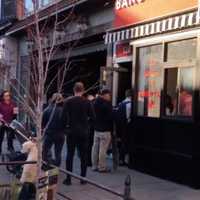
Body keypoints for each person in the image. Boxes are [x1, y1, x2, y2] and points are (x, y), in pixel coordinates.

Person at [62, 82, 95, 185]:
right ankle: (83, 178)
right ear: (83, 90)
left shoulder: (68, 101)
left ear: (74, 90)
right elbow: (93, 117)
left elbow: (63, 118)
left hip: (71, 131)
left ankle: (68, 178)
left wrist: (65, 129)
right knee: (83, 155)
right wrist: (87, 125)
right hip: (83, 132)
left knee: (70, 155)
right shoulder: (87, 102)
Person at [92, 89, 113, 172]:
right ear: (105, 95)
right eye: (109, 95)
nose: (110, 97)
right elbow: (111, 116)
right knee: (103, 150)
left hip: (96, 129)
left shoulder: (95, 102)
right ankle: (102, 167)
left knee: (95, 148)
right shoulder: (107, 104)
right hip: (105, 130)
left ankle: (94, 166)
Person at [42, 93, 65, 167]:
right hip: (60, 134)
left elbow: (43, 123)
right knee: (58, 152)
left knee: (45, 150)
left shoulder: (47, 109)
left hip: (49, 133)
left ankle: (46, 165)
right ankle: (57, 168)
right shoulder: (63, 110)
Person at [117, 89, 133, 166]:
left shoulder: (120, 104)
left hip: (121, 126)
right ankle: (127, 160)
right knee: (128, 143)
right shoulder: (131, 104)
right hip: (128, 126)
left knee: (123, 142)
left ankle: (121, 159)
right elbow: (129, 117)